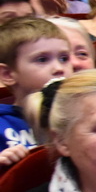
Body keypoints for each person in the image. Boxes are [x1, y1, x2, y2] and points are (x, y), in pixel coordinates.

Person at [0, 17, 71, 163]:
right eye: (42, 60)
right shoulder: (3, 122)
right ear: (7, 74)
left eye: (64, 58)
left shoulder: (83, 114)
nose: (59, 68)